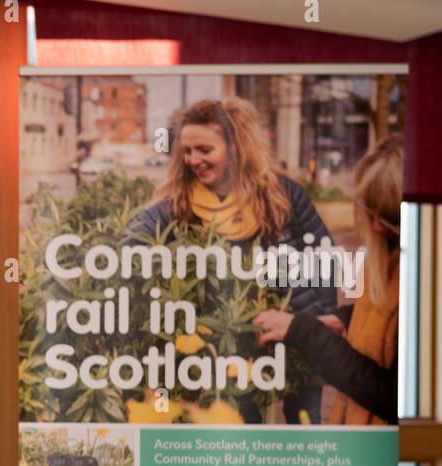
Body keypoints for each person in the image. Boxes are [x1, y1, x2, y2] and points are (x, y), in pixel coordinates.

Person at [124, 96, 338, 423]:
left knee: (305, 429)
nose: (194, 159)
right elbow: (127, 242)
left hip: (293, 339)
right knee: (241, 430)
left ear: (235, 146)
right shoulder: (179, 204)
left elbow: (323, 258)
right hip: (229, 350)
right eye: (187, 151)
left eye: (205, 150)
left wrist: (318, 323)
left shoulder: (282, 195)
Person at [253, 133, 403, 425]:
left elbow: (392, 395)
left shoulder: (422, 279)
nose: (376, 226)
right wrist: (340, 319)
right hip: (299, 331)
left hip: (378, 450)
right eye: (371, 210)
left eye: (389, 217)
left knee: (305, 413)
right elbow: (378, 320)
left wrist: (306, 329)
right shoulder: (388, 259)